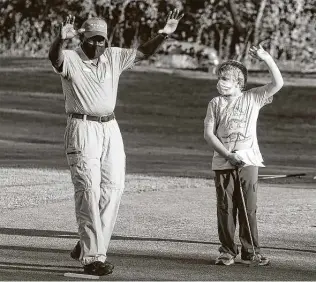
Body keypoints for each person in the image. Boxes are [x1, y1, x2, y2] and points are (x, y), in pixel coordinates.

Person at [48, 10, 183, 276]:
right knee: (88, 189)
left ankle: (89, 243)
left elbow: (143, 52)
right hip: (82, 127)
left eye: (101, 40)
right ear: (82, 39)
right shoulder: (71, 58)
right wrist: (60, 40)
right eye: (91, 40)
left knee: (113, 189)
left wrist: (164, 33)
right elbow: (55, 57)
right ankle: (93, 257)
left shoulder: (114, 56)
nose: (97, 45)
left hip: (111, 128)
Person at [204, 44, 284, 266]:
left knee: (247, 207)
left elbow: (278, 83)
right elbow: (209, 134)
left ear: (238, 82)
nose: (220, 83)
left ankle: (251, 251)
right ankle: (227, 251)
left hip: (248, 162)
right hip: (223, 162)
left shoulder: (253, 98)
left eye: (225, 79)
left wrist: (266, 58)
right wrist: (228, 155)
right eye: (219, 78)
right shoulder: (215, 103)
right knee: (225, 208)